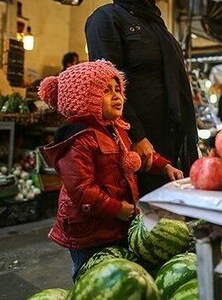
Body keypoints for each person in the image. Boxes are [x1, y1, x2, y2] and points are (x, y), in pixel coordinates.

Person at [38, 60, 183, 281]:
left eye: (118, 90)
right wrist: (115, 208)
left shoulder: (116, 129)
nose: (117, 96)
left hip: (113, 225)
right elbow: (81, 190)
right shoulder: (77, 140)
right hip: (88, 231)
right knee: (89, 276)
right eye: (106, 91)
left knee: (113, 276)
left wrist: (165, 166)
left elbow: (135, 156)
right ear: (85, 99)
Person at [85, 0, 198, 195]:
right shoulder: (106, 19)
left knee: (168, 226)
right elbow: (108, 86)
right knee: (138, 225)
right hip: (135, 148)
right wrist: (136, 135)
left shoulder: (158, 27)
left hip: (167, 144)